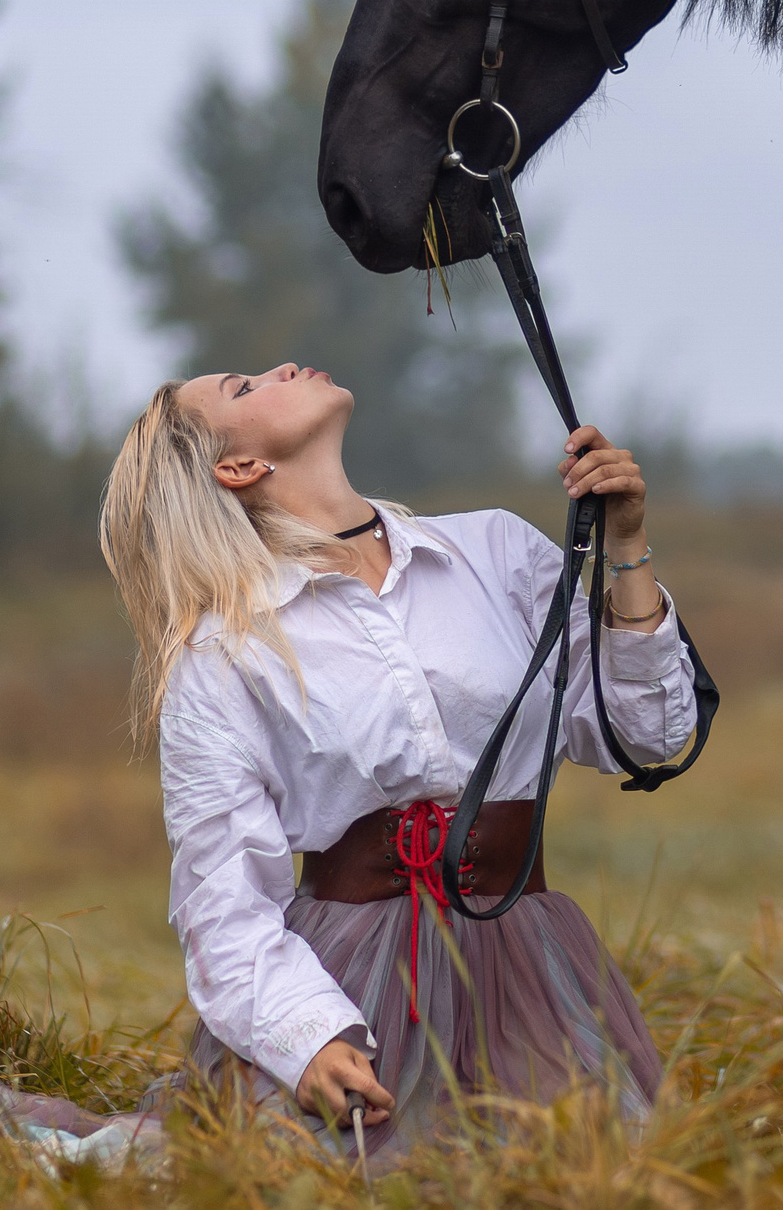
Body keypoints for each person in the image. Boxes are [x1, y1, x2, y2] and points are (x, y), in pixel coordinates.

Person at [99, 362, 697, 1156]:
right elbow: (224, 901)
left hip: (530, 964)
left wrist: (625, 543)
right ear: (237, 467)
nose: (281, 364)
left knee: (586, 1172)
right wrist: (306, 1037)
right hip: (357, 983)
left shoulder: (493, 551)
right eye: (243, 388)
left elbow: (645, 733)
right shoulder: (223, 652)